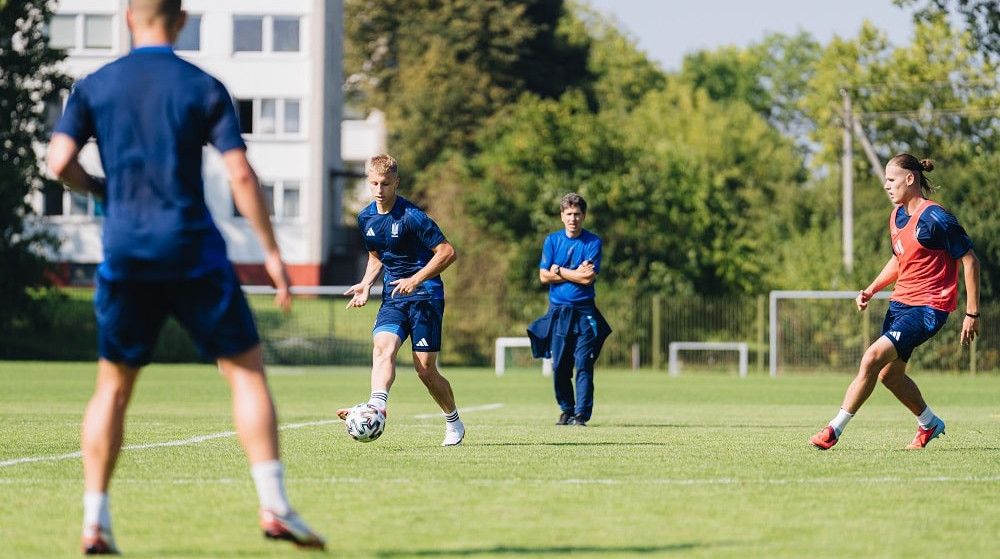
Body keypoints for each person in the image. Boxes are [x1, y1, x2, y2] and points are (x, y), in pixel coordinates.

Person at [45, 0, 325, 553]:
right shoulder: (203, 85)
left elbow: (57, 164)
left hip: (126, 254)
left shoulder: (94, 86)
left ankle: (94, 521)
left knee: (113, 388)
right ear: (181, 20)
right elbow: (240, 171)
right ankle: (274, 504)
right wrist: (271, 252)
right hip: (193, 251)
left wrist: (103, 189)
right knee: (245, 372)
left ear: (129, 18)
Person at [810, 154, 980, 451]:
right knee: (890, 376)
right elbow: (899, 259)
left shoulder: (936, 217)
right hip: (900, 305)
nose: (886, 186)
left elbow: (969, 259)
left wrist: (972, 313)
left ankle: (833, 430)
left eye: (891, 180)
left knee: (872, 358)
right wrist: (871, 288)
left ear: (910, 179)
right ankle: (929, 423)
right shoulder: (897, 215)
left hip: (929, 308)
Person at [340, 154, 465, 446]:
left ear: (396, 182)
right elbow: (376, 255)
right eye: (374, 183)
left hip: (426, 295)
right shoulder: (366, 218)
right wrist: (366, 284)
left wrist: (415, 279)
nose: (379, 189)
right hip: (394, 299)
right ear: (368, 182)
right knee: (383, 348)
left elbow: (447, 252)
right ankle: (376, 407)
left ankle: (454, 422)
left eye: (385, 183)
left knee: (425, 371)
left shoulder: (412, 216)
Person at [527, 193, 612, 427]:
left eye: (577, 214)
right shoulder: (552, 241)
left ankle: (581, 415)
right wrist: (572, 272)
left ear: (584, 216)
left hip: (585, 313)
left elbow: (587, 280)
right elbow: (544, 276)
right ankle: (567, 409)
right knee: (560, 366)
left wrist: (559, 270)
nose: (573, 218)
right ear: (562, 216)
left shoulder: (593, 242)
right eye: (569, 214)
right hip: (559, 312)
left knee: (584, 362)